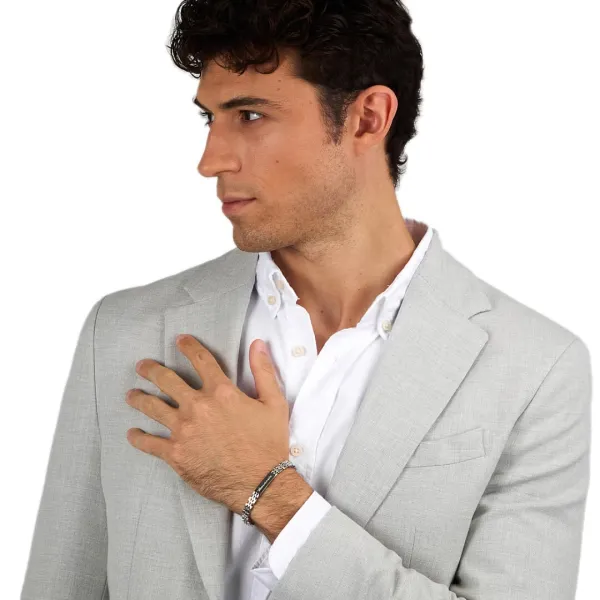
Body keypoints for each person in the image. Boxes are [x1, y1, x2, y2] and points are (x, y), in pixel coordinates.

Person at [21, 1, 592, 599]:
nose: (211, 160)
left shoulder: (534, 369)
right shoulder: (124, 331)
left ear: (368, 118)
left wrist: (270, 493)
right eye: (210, 118)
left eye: (250, 115)